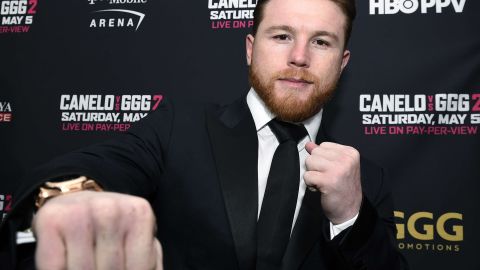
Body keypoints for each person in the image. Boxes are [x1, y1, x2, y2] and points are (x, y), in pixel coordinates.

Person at [0, 0, 409, 269]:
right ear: (250, 48)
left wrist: (353, 217)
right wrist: (71, 199)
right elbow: (93, 165)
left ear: (342, 63)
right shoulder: (179, 128)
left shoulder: (366, 180)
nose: (298, 57)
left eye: (321, 42)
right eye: (281, 36)